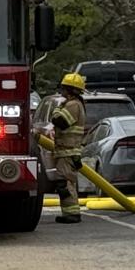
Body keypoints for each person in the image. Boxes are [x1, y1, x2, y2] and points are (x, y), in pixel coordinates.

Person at [50, 73, 87, 224]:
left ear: (70, 90)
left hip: (68, 151)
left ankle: (72, 214)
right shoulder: (74, 104)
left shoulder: (73, 105)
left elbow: (60, 121)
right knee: (65, 183)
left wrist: (56, 109)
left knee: (64, 183)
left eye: (64, 88)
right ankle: (69, 213)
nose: (61, 91)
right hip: (66, 152)